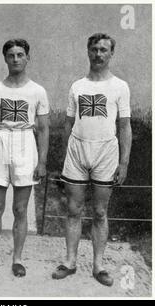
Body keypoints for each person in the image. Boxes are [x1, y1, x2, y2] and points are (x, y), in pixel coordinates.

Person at [52, 33, 132, 286]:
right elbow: (67, 124)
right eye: (94, 49)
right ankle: (70, 262)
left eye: (104, 50)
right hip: (77, 151)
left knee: (99, 211)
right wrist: (65, 156)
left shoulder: (120, 86)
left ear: (111, 54)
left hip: (106, 153)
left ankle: (98, 266)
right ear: (88, 51)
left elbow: (125, 127)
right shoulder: (77, 86)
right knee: (73, 210)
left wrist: (124, 162)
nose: (98, 54)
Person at [0, 39, 49, 277]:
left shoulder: (37, 91)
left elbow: (44, 128)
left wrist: (42, 162)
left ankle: (17, 258)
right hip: (0, 141)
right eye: (11, 55)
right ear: (5, 58)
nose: (16, 59)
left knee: (20, 209)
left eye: (20, 55)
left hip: (25, 144)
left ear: (28, 58)